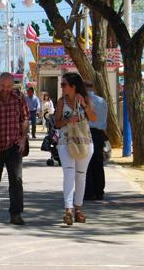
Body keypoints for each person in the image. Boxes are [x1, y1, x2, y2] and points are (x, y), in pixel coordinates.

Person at [0, 73, 30, 225]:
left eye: (9, 86)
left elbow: (24, 118)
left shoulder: (19, 98)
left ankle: (16, 213)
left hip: (14, 146)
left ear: (13, 85)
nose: (6, 89)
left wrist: (23, 138)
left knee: (16, 180)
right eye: (3, 86)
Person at [54, 72, 97, 225]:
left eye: (64, 84)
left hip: (84, 142)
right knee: (69, 173)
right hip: (65, 142)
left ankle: (78, 209)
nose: (62, 87)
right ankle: (68, 210)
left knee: (81, 175)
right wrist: (67, 120)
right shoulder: (61, 102)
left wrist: (84, 106)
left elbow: (93, 118)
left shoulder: (85, 99)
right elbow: (56, 123)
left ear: (73, 86)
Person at [83, 80, 108, 201]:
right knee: (98, 163)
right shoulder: (102, 101)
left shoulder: (84, 101)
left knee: (87, 163)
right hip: (99, 133)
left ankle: (89, 191)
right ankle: (99, 191)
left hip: (87, 132)